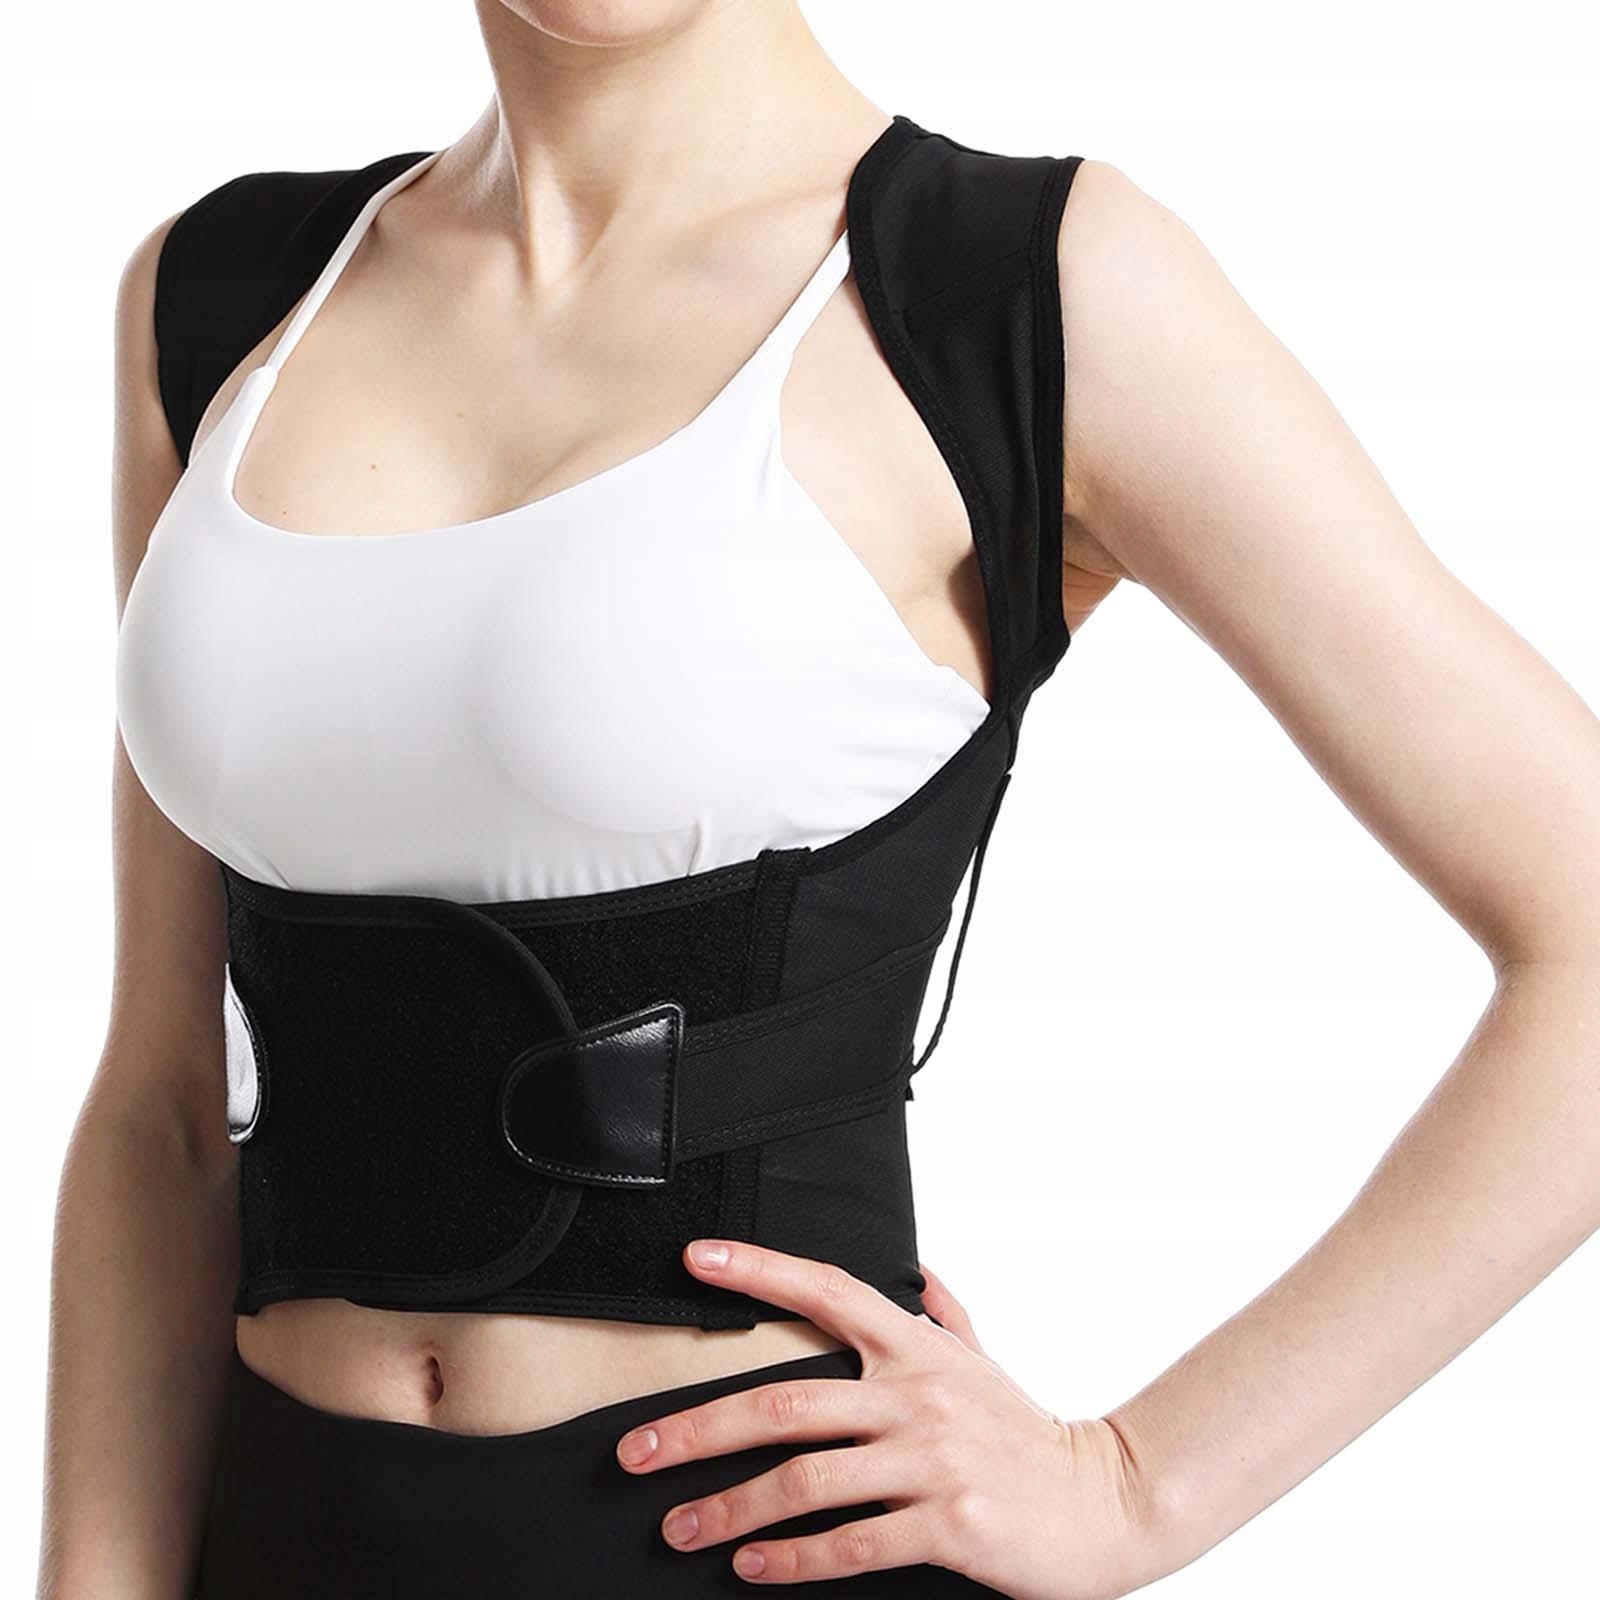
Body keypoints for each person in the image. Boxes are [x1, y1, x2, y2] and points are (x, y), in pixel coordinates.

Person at [39, 2, 1600, 1597]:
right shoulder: (226, 291)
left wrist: (1130, 1489)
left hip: (753, 1546)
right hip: (274, 1525)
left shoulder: (1011, 287)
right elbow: (164, 1110)